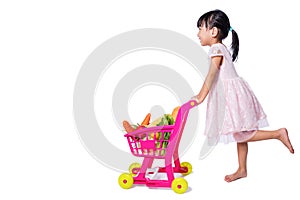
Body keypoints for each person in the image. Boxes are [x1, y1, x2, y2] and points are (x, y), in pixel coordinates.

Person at [193, 9, 294, 182]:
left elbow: (212, 75)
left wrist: (200, 96)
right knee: (240, 132)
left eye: (201, 28)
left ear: (214, 31)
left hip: (230, 97)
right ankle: (242, 169)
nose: (198, 33)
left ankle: (277, 133)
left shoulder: (216, 48)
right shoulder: (221, 47)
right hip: (235, 94)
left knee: (241, 133)